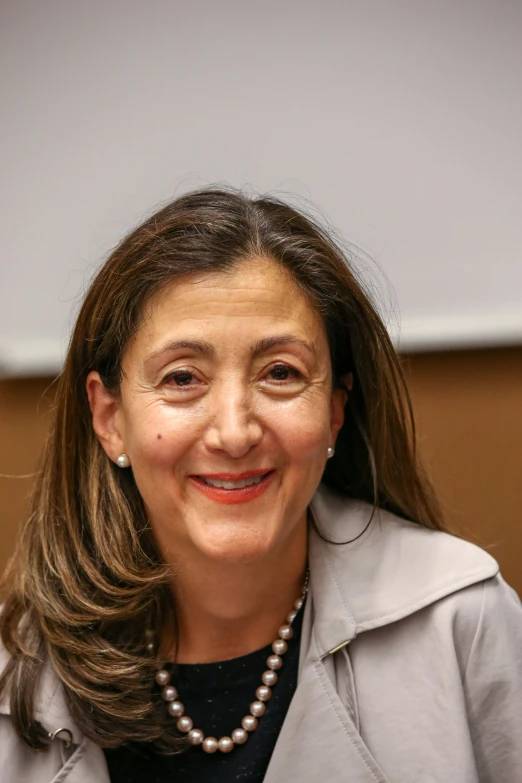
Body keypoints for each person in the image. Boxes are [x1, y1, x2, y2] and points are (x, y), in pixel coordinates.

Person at [0, 186, 520, 783]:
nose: (234, 432)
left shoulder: (460, 619)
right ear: (110, 420)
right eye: (182, 378)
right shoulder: (15, 665)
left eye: (281, 372)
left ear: (333, 410)